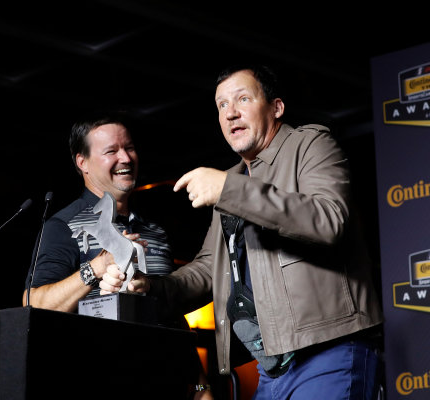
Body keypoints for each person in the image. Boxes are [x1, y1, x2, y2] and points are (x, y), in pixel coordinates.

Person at [100, 65, 384, 399]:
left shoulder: (310, 145)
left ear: (276, 107)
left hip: (328, 354)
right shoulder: (234, 178)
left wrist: (228, 190)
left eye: (243, 99)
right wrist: (149, 287)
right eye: (221, 105)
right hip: (269, 369)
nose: (231, 113)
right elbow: (208, 270)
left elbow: (328, 219)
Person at [22, 114, 213, 399]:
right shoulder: (63, 226)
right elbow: (33, 303)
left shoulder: (154, 231)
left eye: (130, 148)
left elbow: (171, 318)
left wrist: (202, 388)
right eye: (111, 151)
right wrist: (96, 268)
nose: (125, 158)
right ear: (82, 163)